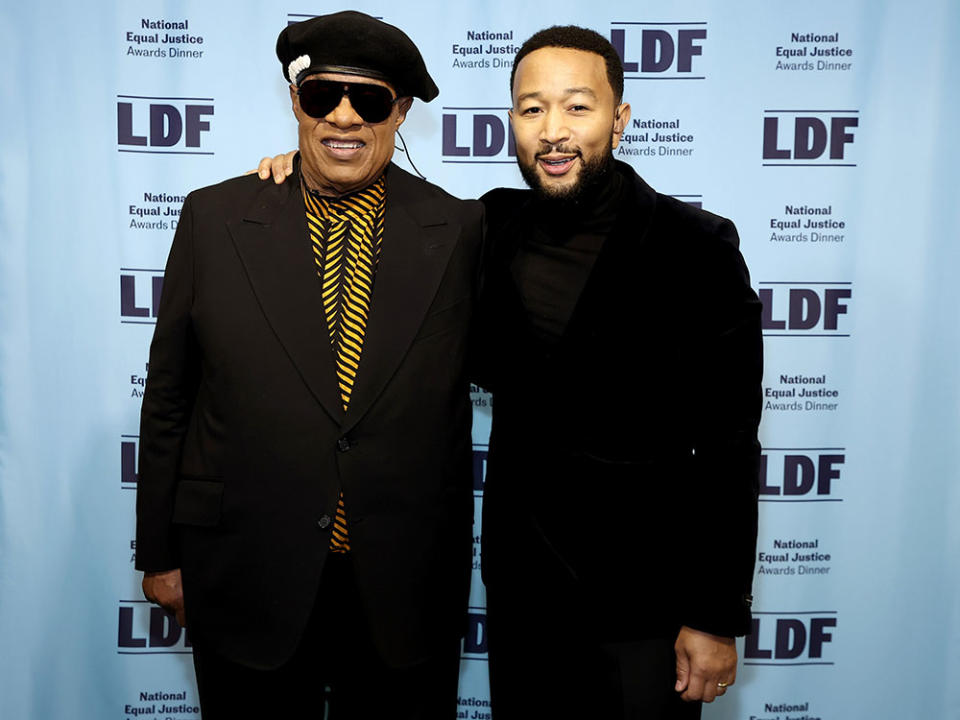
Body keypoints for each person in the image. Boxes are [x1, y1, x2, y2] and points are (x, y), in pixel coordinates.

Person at [256, 25, 762, 720]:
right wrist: (305, 172)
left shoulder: (696, 249)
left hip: (646, 610)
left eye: (578, 107)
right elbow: (380, 205)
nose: (553, 130)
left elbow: (730, 449)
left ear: (620, 120)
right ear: (512, 122)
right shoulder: (485, 228)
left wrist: (713, 616)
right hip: (523, 599)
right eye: (531, 109)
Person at [136, 11, 482, 719]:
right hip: (244, 570)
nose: (344, 117)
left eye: (371, 99)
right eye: (323, 95)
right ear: (296, 102)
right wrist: (159, 553)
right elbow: (170, 395)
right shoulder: (215, 217)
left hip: (404, 585)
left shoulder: (462, 229)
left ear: (402, 111)